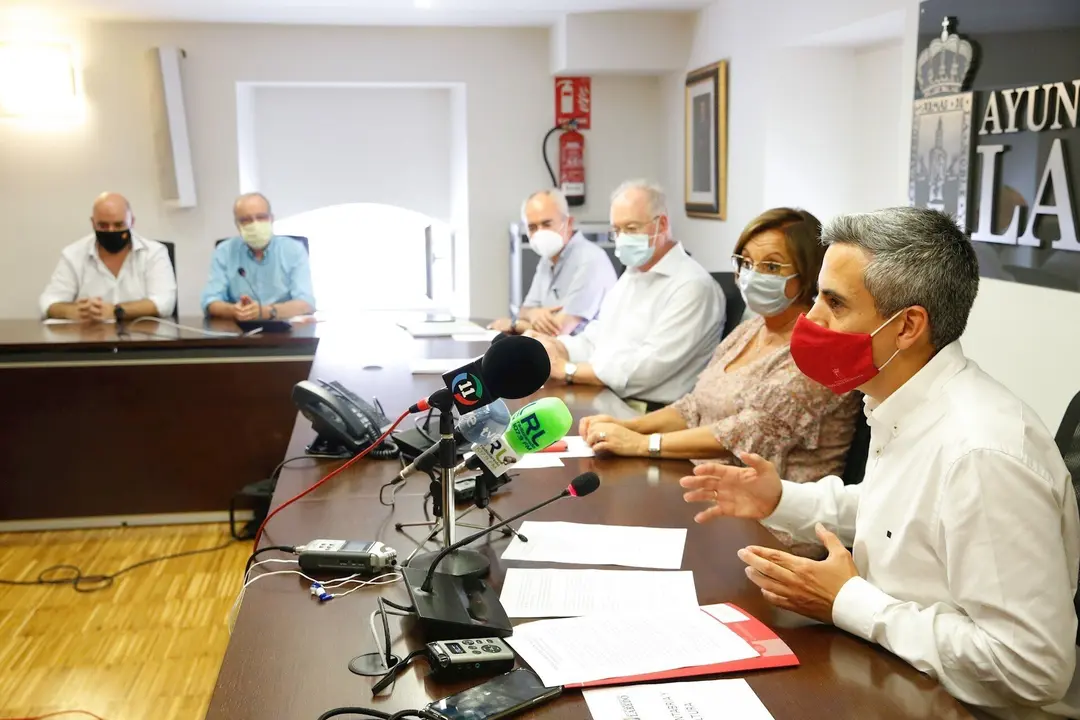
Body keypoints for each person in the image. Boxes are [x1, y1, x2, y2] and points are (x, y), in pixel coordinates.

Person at [680, 207, 1079, 719]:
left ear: (908, 326)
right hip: (891, 677)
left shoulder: (984, 453)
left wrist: (849, 602)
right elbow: (900, 511)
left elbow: (1031, 667)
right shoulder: (907, 401)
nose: (811, 318)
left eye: (834, 302)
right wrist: (779, 498)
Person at [578, 208, 859, 485]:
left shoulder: (822, 349)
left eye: (771, 266)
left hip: (770, 517)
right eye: (746, 262)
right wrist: (626, 426)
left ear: (808, 273)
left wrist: (642, 444)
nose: (753, 275)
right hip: (707, 483)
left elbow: (747, 433)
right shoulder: (750, 330)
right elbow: (694, 406)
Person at [527, 179, 725, 409]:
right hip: (607, 397)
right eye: (616, 231)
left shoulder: (692, 286)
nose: (622, 238)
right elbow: (597, 338)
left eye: (631, 229)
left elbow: (646, 369)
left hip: (648, 412)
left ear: (661, 224)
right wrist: (556, 348)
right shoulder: (633, 274)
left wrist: (568, 370)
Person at [488, 189, 616, 336]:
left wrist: (514, 324)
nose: (540, 232)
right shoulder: (547, 260)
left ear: (568, 223)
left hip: (580, 356)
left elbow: (558, 330)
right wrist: (534, 314)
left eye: (546, 224)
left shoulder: (590, 261)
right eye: (532, 227)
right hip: (548, 350)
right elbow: (525, 310)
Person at [40, 192, 177, 321]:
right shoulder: (73, 254)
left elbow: (165, 302)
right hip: (89, 339)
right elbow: (48, 302)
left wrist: (116, 311)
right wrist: (72, 311)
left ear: (132, 222)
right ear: (93, 223)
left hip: (142, 339)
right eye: (103, 225)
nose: (111, 231)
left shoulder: (154, 252)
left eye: (119, 225)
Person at [201, 193, 315, 320]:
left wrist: (267, 311)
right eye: (246, 220)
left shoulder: (294, 249)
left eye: (261, 217)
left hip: (284, 331)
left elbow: (306, 303)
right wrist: (234, 310)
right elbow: (210, 301)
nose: (254, 224)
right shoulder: (224, 251)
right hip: (238, 332)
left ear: (271, 219)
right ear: (237, 225)